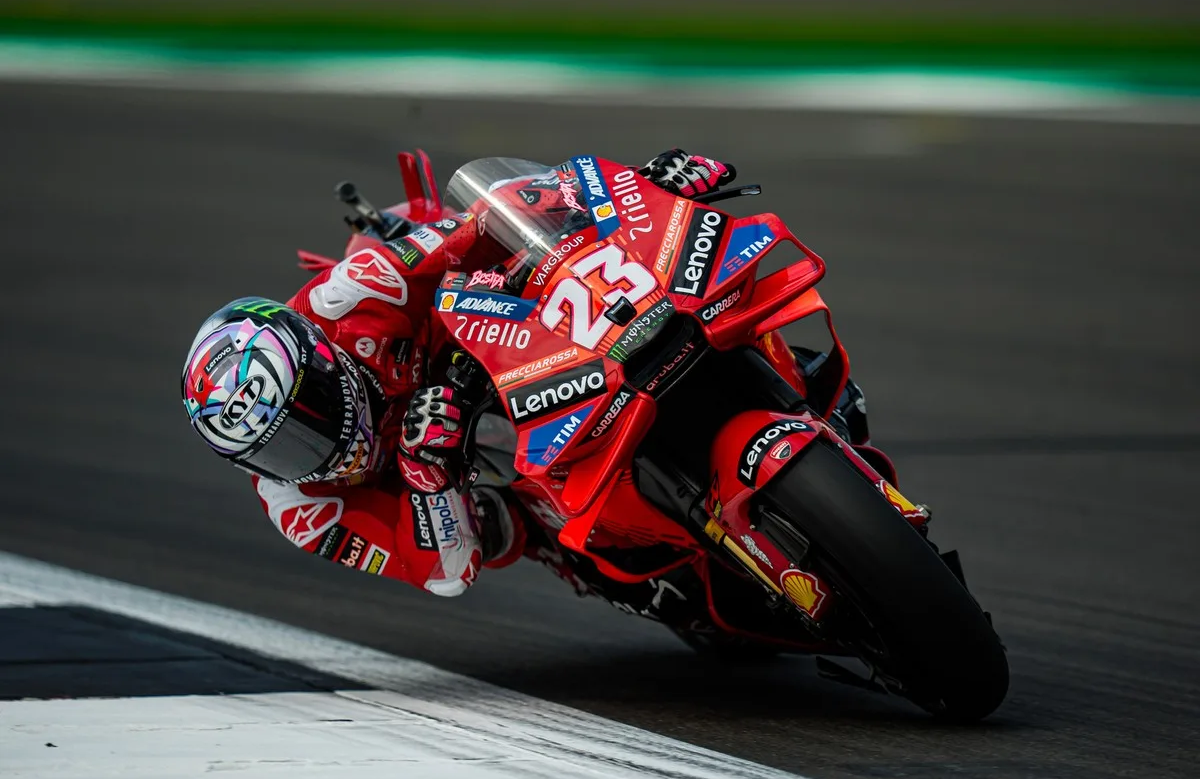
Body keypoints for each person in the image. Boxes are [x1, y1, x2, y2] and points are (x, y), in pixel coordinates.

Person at [181, 150, 879, 598]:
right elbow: (447, 572)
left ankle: (777, 377)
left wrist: (640, 188)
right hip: (469, 472)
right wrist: (428, 476)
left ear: (320, 354)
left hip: (492, 341)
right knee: (508, 528)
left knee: (615, 279)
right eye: (282, 449)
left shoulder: (353, 294)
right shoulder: (302, 510)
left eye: (311, 409)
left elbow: (484, 219)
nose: (315, 444)